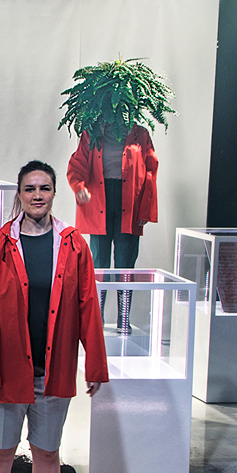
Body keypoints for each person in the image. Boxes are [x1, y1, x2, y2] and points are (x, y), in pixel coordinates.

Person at [0, 160, 108, 473]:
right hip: (7, 374)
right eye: (29, 188)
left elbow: (88, 305)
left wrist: (95, 364)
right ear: (19, 194)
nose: (37, 195)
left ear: (53, 193)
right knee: (1, 451)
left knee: (47, 453)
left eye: (44, 188)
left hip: (53, 372)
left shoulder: (73, 244)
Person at [65, 123, 159, 332]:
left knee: (125, 263)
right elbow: (77, 164)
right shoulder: (92, 132)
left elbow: (150, 171)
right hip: (100, 199)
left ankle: (123, 318)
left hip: (130, 202)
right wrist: (79, 187)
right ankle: (96, 319)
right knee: (99, 263)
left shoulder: (140, 134)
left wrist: (145, 208)